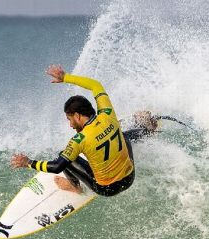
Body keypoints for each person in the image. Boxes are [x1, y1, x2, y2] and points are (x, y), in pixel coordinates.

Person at [10, 64, 135, 196]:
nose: (70, 125)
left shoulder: (79, 139)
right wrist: (65, 77)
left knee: (65, 156)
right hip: (129, 177)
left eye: (69, 119)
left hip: (108, 188)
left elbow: (57, 166)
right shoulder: (107, 114)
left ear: (77, 115)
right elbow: (95, 85)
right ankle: (147, 128)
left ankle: (75, 187)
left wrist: (28, 162)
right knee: (122, 135)